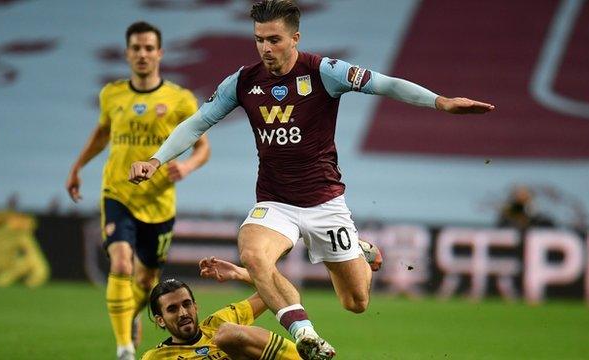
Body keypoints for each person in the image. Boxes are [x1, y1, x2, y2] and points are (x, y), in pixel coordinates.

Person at [129, 1, 494, 358]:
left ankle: (358, 251)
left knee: (356, 302)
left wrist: (440, 102)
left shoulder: (324, 71)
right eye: (259, 39)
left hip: (324, 203)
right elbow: (198, 122)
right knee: (253, 253)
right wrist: (156, 159)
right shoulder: (242, 82)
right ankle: (306, 334)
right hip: (275, 202)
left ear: (295, 38)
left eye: (274, 39)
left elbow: (386, 85)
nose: (265, 48)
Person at [66, 21, 211, 360]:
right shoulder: (112, 94)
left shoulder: (179, 99)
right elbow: (103, 133)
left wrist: (187, 166)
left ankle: (129, 313)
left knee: (146, 284)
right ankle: (125, 348)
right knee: (120, 264)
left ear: (159, 53)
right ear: (127, 53)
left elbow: (202, 147)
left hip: (159, 202)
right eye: (136, 48)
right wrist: (77, 166)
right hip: (118, 193)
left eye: (149, 48)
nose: (143, 54)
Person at [141, 257, 300, 360]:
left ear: (195, 306)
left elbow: (281, 291)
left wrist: (237, 273)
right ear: (160, 320)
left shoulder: (217, 324)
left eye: (187, 304)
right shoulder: (155, 357)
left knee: (227, 333)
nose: (183, 313)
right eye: (172, 309)